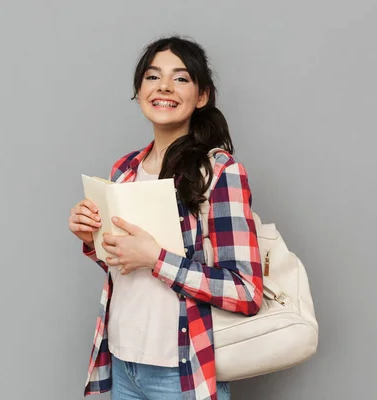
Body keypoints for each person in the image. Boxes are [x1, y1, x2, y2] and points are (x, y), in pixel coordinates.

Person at [69, 36, 263, 400]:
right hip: (123, 362)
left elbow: (246, 291)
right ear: (139, 89)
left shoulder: (219, 172)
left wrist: (156, 259)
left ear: (202, 96)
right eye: (153, 76)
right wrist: (91, 238)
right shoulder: (125, 169)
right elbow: (124, 266)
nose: (164, 88)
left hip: (180, 373)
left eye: (181, 78)